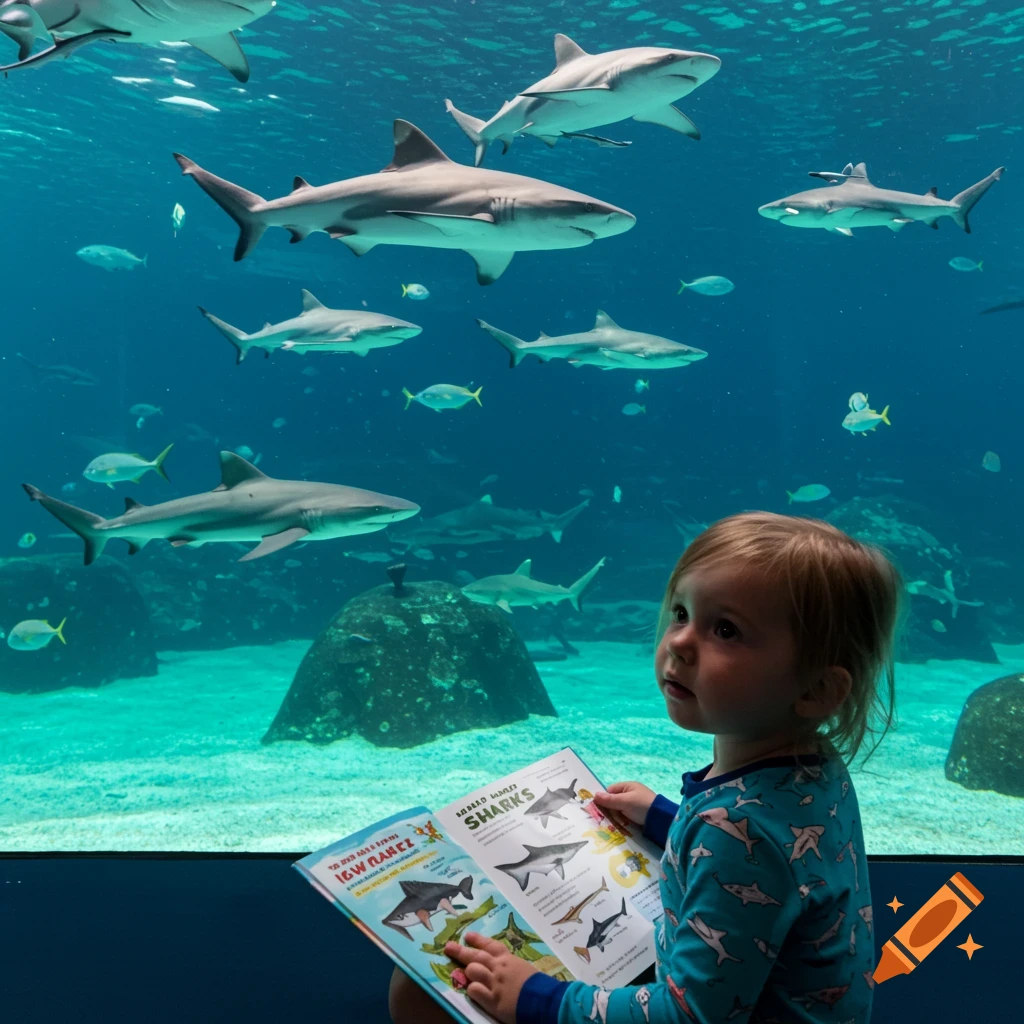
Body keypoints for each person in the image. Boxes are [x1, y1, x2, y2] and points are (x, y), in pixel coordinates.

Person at [393, 511, 900, 1024]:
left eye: (726, 630)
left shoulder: (734, 836)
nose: (679, 641)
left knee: (419, 992)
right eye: (681, 613)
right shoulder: (815, 770)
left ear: (815, 689)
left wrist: (535, 999)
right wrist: (664, 816)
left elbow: (688, 1017)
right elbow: (778, 859)